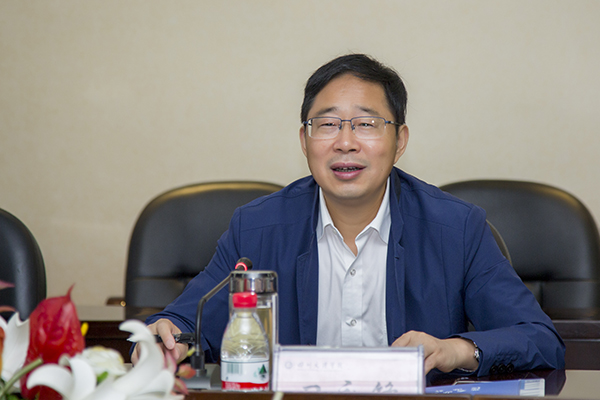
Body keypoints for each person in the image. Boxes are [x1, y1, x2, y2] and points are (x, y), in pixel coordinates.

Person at [134, 54, 565, 376]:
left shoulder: (456, 228)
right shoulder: (257, 228)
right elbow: (184, 323)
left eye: (366, 124)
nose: (345, 142)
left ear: (400, 141)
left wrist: (456, 350)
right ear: (304, 141)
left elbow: (540, 339)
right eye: (326, 125)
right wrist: (165, 336)